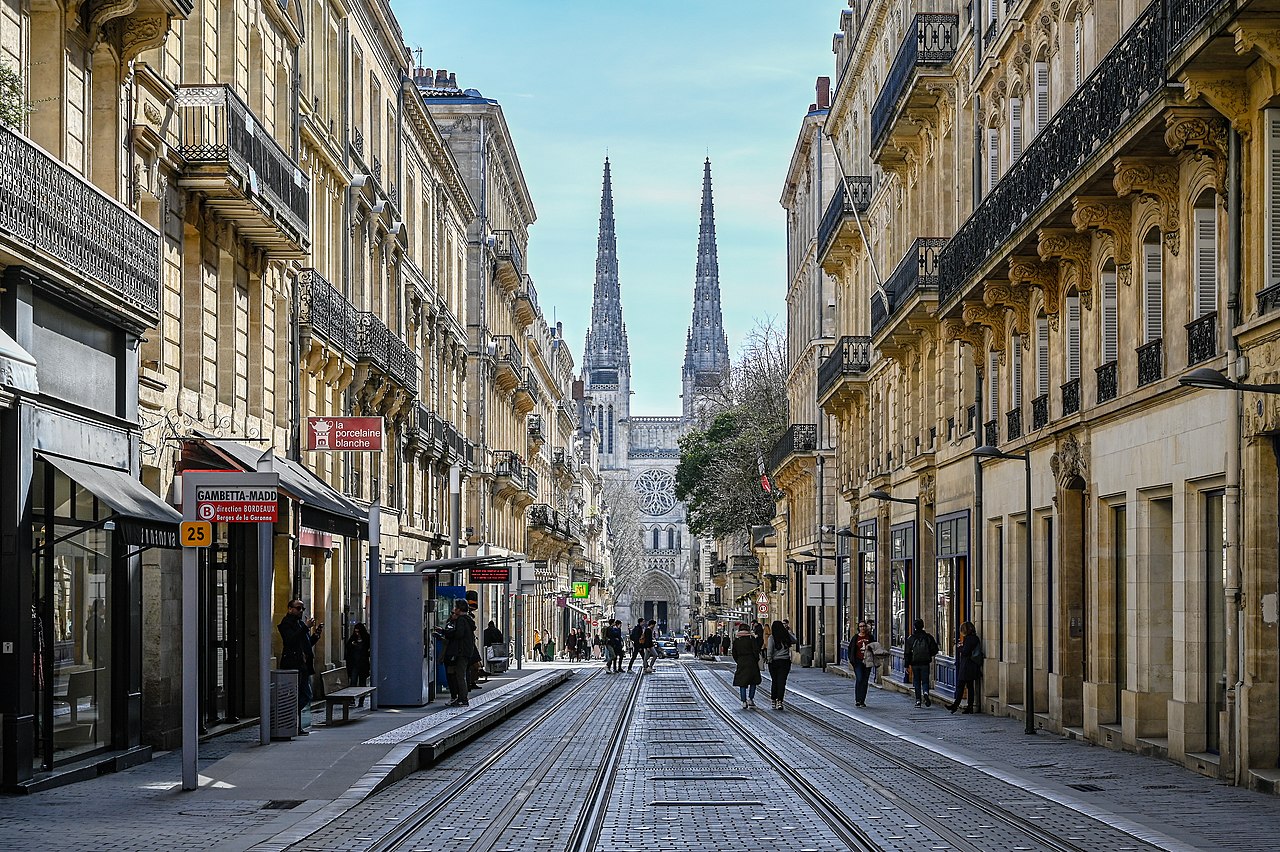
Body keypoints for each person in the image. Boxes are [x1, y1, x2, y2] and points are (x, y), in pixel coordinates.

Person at [279, 599, 321, 733]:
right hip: (292, 664)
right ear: (290, 609)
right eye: (298, 608)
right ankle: (291, 720)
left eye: (302, 609)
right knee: (302, 695)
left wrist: (316, 635)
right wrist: (305, 628)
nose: (301, 611)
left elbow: (306, 644)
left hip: (303, 665)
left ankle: (294, 722)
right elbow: (290, 640)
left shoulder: (300, 624)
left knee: (305, 695)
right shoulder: (286, 624)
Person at [438, 600, 478, 707]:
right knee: (459, 675)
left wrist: (445, 632)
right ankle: (460, 698)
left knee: (460, 676)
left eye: (455, 607)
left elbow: (459, 634)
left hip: (460, 652)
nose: (454, 609)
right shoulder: (467, 620)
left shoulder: (461, 620)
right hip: (465, 652)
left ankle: (462, 699)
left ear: (459, 609)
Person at [904, 618, 939, 707]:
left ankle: (918, 701)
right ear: (923, 626)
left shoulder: (911, 638)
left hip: (915, 663)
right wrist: (928, 655)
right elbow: (935, 649)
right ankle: (926, 692)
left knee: (916, 681)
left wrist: (906, 665)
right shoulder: (928, 637)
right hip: (925, 662)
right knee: (925, 680)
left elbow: (907, 653)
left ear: (914, 627)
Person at [949, 621, 983, 714]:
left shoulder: (968, 639)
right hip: (972, 666)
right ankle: (969, 706)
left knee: (960, 685)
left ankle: (956, 706)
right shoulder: (975, 638)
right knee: (970, 686)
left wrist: (959, 647)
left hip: (967, 666)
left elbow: (965, 652)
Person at [732, 622, 762, 709]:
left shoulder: (737, 640)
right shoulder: (751, 638)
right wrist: (755, 659)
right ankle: (751, 699)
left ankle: (743, 701)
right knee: (753, 681)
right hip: (751, 661)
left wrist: (738, 660)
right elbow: (756, 651)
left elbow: (734, 653)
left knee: (742, 683)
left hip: (741, 662)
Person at [765, 619, 793, 710]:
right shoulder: (785, 637)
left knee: (775, 681)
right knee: (782, 682)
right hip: (785, 662)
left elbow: (769, 650)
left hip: (774, 662)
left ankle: (773, 700)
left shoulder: (772, 638)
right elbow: (795, 640)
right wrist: (788, 632)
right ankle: (780, 701)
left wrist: (769, 659)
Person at [344, 622, 371, 706]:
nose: (357, 634)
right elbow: (348, 647)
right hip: (354, 664)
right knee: (353, 682)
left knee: (362, 683)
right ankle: (352, 700)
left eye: (358, 632)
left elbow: (369, 649)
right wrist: (352, 645)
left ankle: (361, 702)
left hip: (363, 664)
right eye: (356, 632)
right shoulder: (353, 638)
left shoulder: (367, 638)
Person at [851, 621, 876, 708]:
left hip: (867, 662)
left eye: (864, 626)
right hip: (858, 662)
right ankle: (857, 699)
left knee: (865, 681)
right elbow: (851, 649)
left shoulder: (870, 637)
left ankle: (862, 700)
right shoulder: (855, 638)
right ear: (859, 628)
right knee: (859, 678)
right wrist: (852, 661)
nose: (862, 628)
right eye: (861, 626)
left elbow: (875, 648)